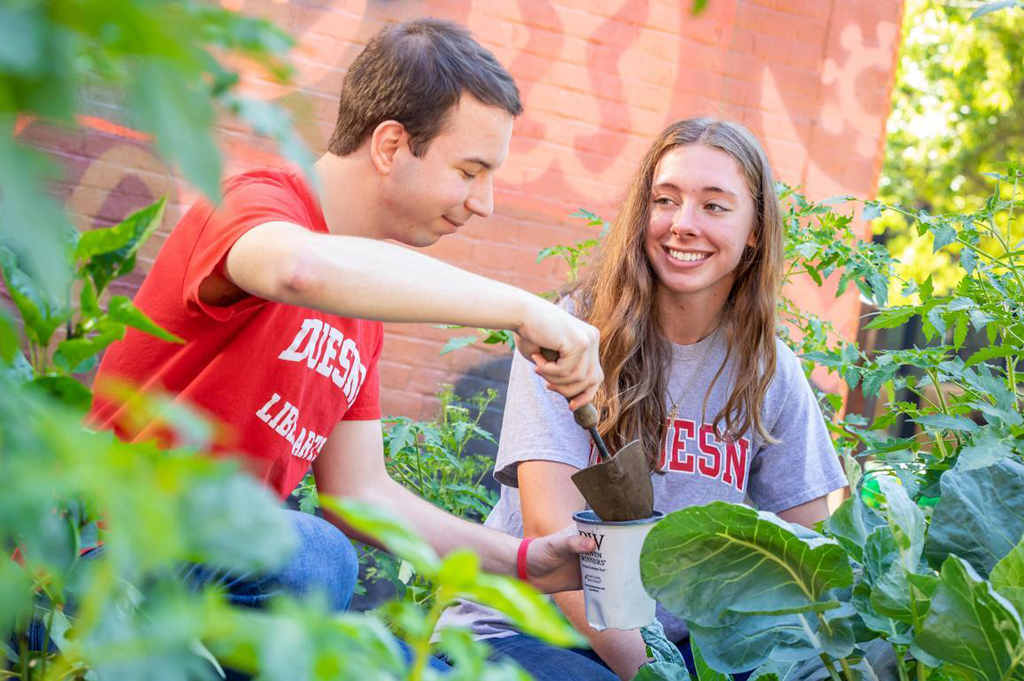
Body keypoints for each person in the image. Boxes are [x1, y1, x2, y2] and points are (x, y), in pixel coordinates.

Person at [87, 17, 601, 667]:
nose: (486, 203)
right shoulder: (257, 203)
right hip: (99, 565)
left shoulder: (362, 310)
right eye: (471, 170)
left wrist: (526, 559)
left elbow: (361, 493)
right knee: (318, 559)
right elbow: (295, 268)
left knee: (385, 655)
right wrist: (520, 308)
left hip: (200, 586)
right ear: (390, 145)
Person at [437, 118, 850, 680]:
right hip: (524, 632)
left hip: (672, 654)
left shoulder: (768, 370)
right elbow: (551, 530)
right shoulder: (572, 332)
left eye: (714, 206)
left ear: (754, 229)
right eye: (665, 199)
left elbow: (810, 554)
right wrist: (655, 674)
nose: (683, 224)